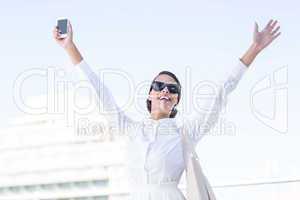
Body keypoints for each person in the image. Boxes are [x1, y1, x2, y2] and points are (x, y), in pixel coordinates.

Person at [53, 19, 281, 200]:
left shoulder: (186, 134)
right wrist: (70, 47)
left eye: (172, 89)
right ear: (150, 94)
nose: (165, 91)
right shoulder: (131, 129)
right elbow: (97, 90)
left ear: (176, 101)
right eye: (159, 86)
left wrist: (255, 48)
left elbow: (221, 93)